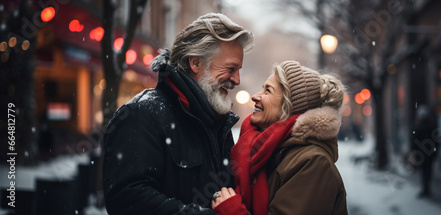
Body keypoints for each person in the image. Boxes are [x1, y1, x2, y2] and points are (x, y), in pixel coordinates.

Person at [102, 13, 254, 215]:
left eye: (239, 69)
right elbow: (128, 199)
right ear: (196, 63)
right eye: (230, 68)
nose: (237, 79)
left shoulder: (216, 121)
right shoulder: (142, 113)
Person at [212, 60, 348, 215]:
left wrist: (233, 211)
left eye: (268, 91)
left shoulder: (313, 162)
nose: (255, 96)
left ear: (289, 106)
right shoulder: (271, 151)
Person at [412, 105, 438, 198]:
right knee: (428, 171)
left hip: (422, 154)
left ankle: (425, 189)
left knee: (423, 172)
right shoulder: (432, 125)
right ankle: (427, 189)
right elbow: (436, 141)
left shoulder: (418, 127)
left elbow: (414, 141)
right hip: (429, 154)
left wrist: (415, 152)